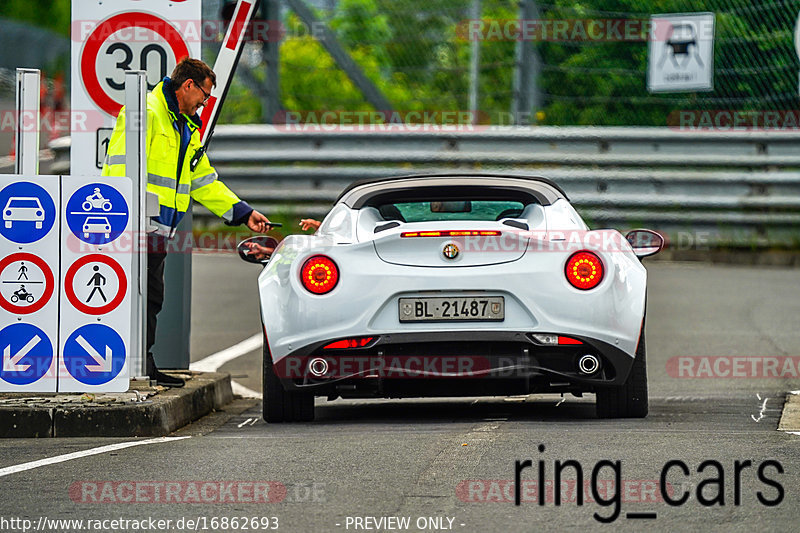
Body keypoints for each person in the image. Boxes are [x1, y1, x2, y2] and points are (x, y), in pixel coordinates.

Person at [102, 57, 272, 387]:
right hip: (134, 227)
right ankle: (132, 366)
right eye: (204, 96)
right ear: (188, 85)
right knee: (137, 295)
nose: (205, 104)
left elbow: (203, 181)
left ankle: (139, 364)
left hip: (158, 229)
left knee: (150, 296)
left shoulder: (185, 126)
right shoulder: (146, 113)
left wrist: (242, 212)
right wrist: (120, 221)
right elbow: (117, 169)